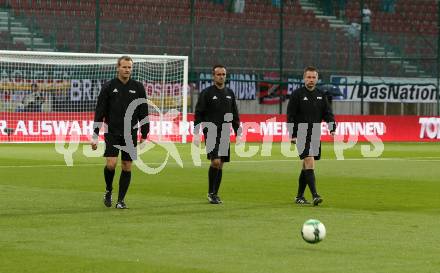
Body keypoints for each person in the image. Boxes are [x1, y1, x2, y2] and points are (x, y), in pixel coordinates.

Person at [91, 56, 149, 209]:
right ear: (118, 67)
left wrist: (145, 133)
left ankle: (121, 200)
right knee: (111, 164)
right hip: (112, 131)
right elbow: (100, 111)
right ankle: (109, 190)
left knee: (126, 165)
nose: (127, 70)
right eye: (124, 67)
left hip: (130, 133)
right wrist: (95, 135)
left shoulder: (138, 87)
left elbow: (143, 111)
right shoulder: (109, 86)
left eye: (129, 67)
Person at [286, 66, 336, 206]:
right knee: (309, 160)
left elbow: (328, 113)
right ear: (304, 78)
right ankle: (315, 195)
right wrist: (292, 134)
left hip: (315, 132)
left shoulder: (321, 95)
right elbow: (290, 115)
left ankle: (299, 196)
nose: (311, 80)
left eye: (313, 77)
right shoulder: (297, 94)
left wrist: (332, 128)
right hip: (301, 132)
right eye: (308, 77)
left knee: (306, 165)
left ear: (317, 79)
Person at [194, 64, 240, 204]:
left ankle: (215, 193)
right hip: (212, 132)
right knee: (215, 161)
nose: (221, 76)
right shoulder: (207, 93)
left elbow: (234, 113)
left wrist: (238, 130)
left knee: (221, 164)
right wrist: (196, 132)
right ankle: (211, 192)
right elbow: (198, 113)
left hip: (225, 132)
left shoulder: (229, 93)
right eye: (218, 74)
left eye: (223, 74)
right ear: (213, 76)